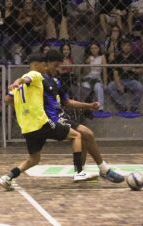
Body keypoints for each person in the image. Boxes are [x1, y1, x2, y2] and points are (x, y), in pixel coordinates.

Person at [0, 53, 97, 191]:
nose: (45, 68)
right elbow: (27, 78)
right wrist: (18, 81)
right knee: (77, 135)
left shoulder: (19, 89)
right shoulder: (35, 75)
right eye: (43, 65)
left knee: (34, 159)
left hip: (27, 128)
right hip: (41, 123)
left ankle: (8, 177)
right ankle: (79, 172)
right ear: (36, 65)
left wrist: (23, 109)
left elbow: (7, 99)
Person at [43, 49, 125, 183]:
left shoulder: (56, 81)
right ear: (46, 64)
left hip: (61, 117)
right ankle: (103, 170)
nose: (57, 69)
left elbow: (67, 102)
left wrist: (89, 105)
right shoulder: (38, 80)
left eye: (59, 66)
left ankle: (80, 172)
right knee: (87, 133)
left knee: (86, 138)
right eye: (55, 65)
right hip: (51, 120)